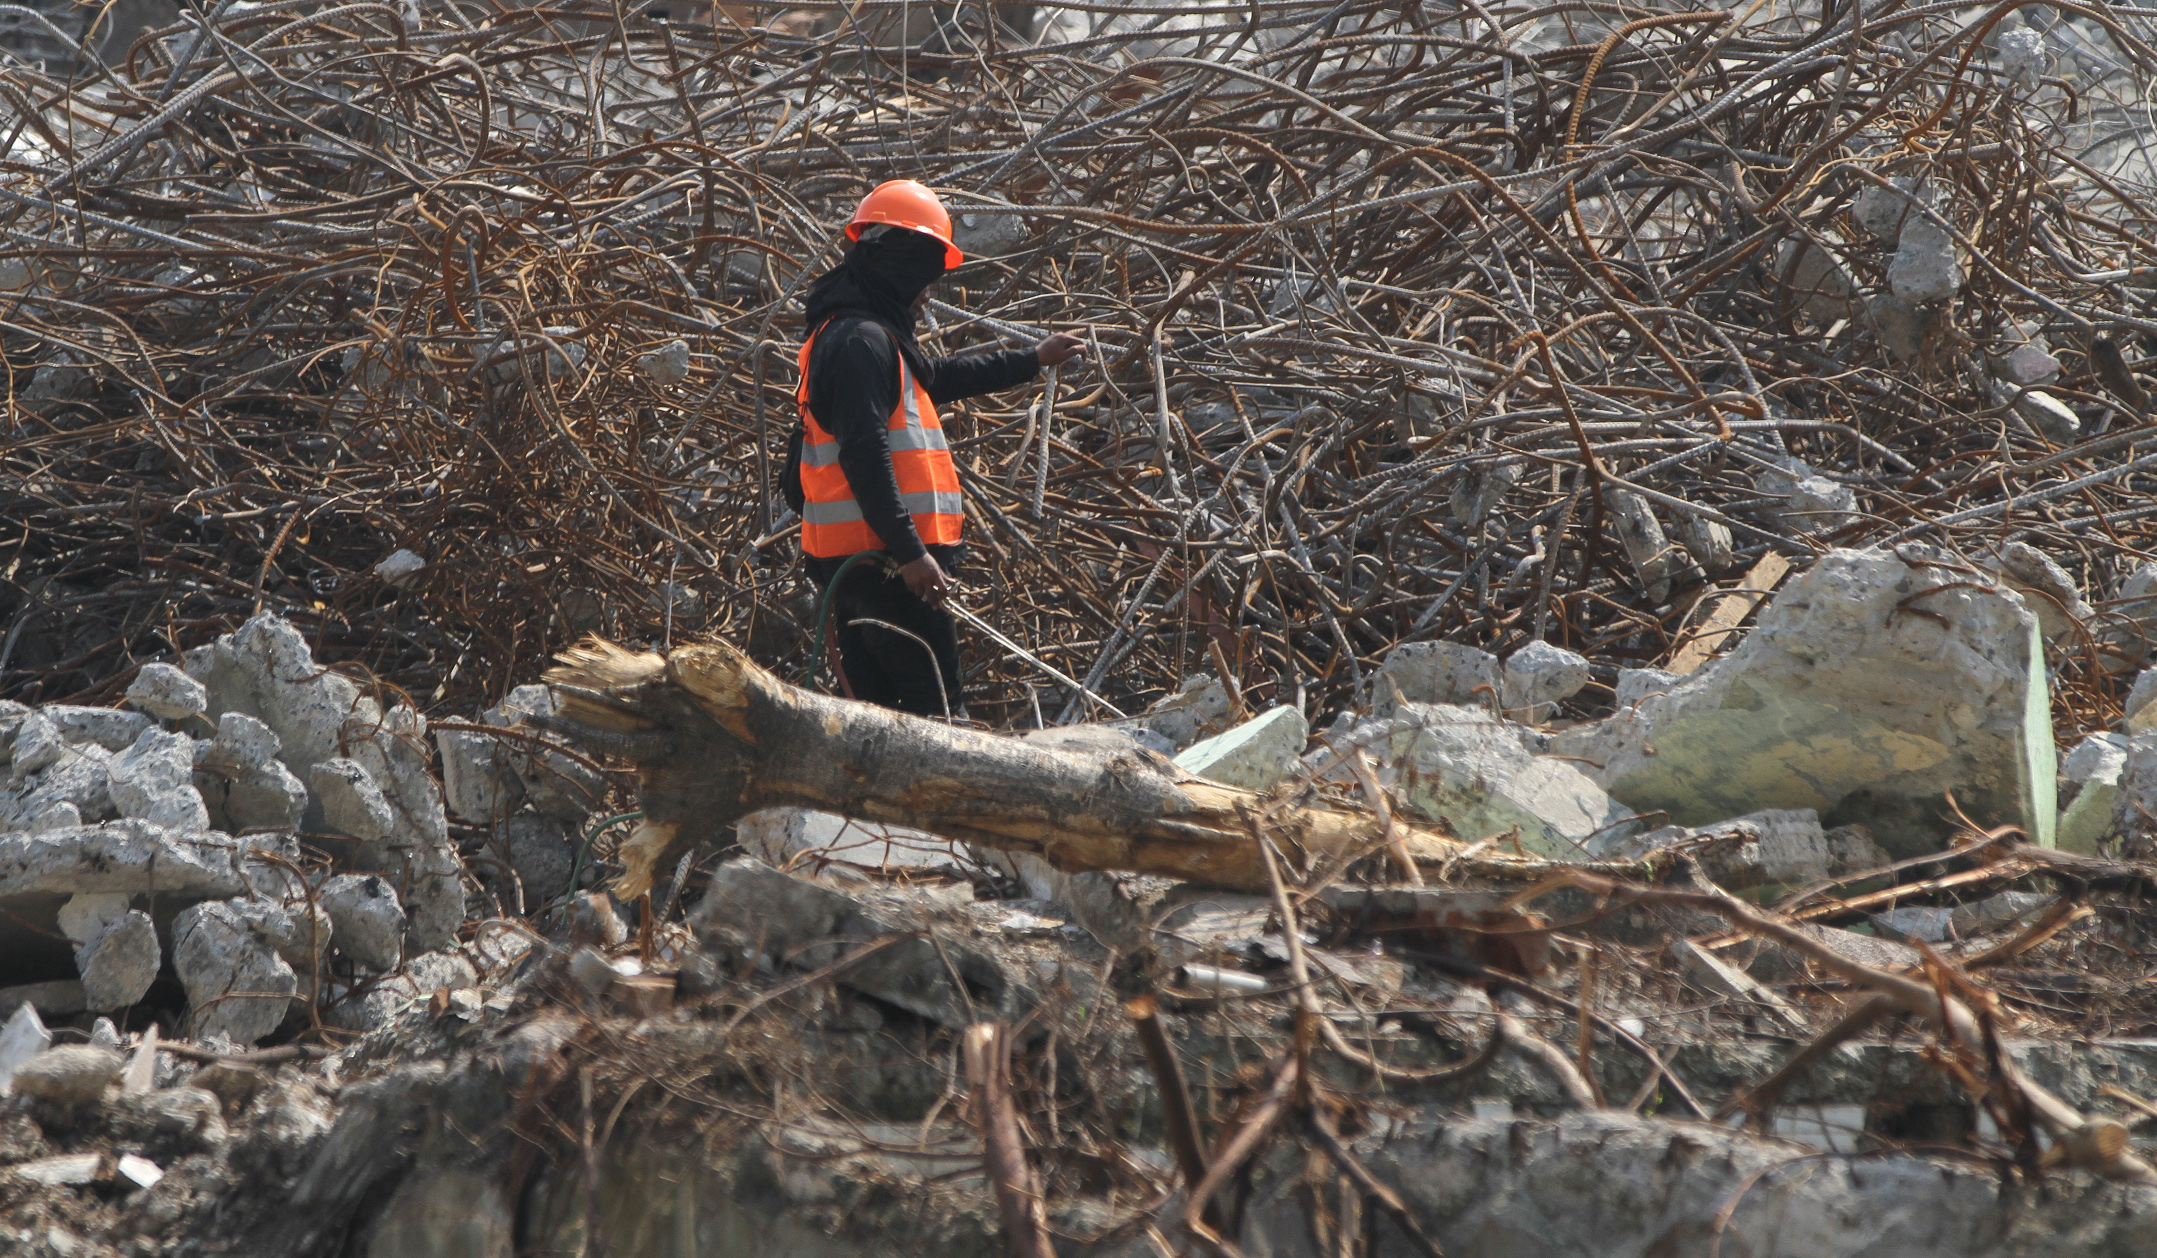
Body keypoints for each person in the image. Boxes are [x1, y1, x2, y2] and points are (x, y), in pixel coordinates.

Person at [785, 179, 1085, 717]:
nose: (928, 293)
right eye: (926, 275)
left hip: (854, 566)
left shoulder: (859, 332)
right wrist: (910, 553)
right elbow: (864, 454)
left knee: (874, 722)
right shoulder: (860, 343)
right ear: (903, 264)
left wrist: (1033, 359)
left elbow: (935, 378)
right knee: (939, 720)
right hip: (885, 569)